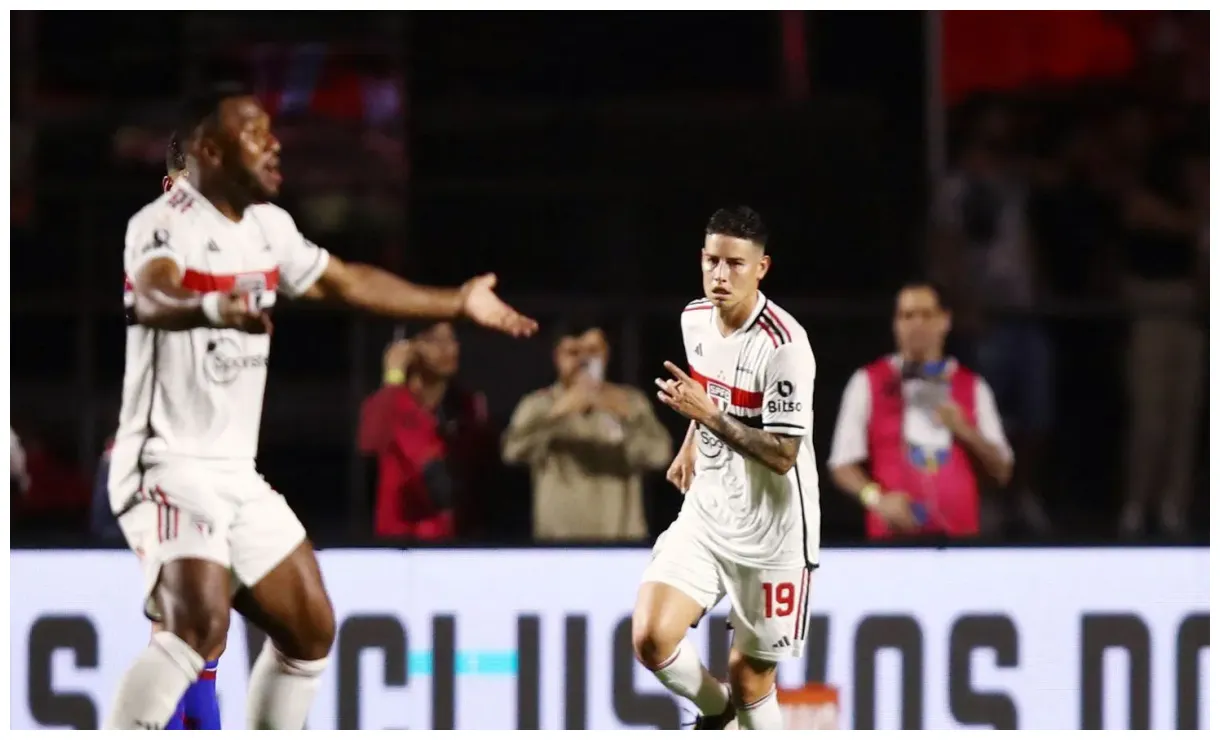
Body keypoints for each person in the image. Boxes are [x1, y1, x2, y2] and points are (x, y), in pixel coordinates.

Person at [105, 82, 536, 730]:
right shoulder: (165, 222)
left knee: (309, 628)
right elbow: (149, 296)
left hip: (232, 474)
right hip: (164, 463)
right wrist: (216, 306)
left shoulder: (269, 229)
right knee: (198, 625)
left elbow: (348, 281)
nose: (275, 143)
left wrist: (456, 301)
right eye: (255, 133)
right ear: (210, 149)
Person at [635, 206, 818, 730]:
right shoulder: (694, 318)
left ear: (761, 267)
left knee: (750, 676)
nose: (721, 275)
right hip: (710, 511)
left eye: (735, 264)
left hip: (774, 530)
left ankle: (734, 711)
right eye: (712, 261)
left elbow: (784, 455)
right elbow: (710, 386)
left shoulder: (785, 347)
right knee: (651, 637)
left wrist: (708, 416)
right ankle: (718, 718)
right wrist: (692, 439)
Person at [827, 282, 1013, 540]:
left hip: (959, 545)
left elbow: (1002, 471)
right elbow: (841, 465)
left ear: (945, 321)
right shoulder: (867, 382)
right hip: (891, 544)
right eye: (907, 316)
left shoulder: (973, 386)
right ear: (896, 323)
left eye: (926, 314)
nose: (916, 324)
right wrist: (877, 499)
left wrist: (967, 432)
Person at [502, 323, 671, 541]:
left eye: (592, 352)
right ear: (557, 357)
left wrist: (626, 416)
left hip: (621, 544)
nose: (583, 361)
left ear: (606, 355)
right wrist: (558, 413)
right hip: (558, 546)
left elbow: (660, 456)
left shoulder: (631, 402)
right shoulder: (539, 405)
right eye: (573, 352)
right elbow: (512, 452)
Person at [358, 322, 496, 540]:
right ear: (407, 348)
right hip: (398, 542)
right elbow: (370, 442)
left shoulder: (468, 405)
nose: (448, 349)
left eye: (451, 340)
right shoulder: (392, 401)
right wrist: (393, 377)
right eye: (434, 340)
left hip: (453, 541)